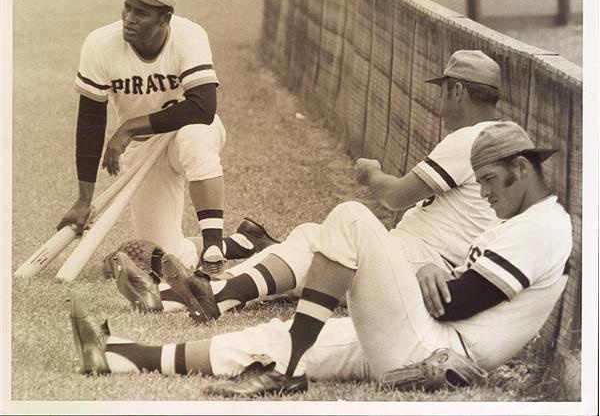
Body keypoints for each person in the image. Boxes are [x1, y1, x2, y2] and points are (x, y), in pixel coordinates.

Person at [68, 121, 571, 398]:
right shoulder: (524, 224)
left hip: (438, 350)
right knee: (284, 334)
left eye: (488, 181)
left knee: (351, 219)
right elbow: (458, 296)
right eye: (479, 181)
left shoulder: (543, 227)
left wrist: (425, 269)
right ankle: (121, 355)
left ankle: (283, 369)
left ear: (521, 169)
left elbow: (456, 304)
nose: (483, 193)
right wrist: (429, 272)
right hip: (426, 344)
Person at [111, 50, 503, 320]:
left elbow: (396, 195)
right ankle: (215, 283)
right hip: (425, 263)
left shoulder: (469, 138)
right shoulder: (498, 139)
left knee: (317, 243)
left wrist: (371, 173)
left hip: (421, 264)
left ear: (457, 91)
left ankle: (188, 296)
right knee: (311, 248)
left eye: (443, 92)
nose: (441, 103)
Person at [56, 0, 231, 275]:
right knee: (163, 261)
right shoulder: (100, 44)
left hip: (184, 136)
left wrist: (129, 127)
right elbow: (90, 123)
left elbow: (203, 107)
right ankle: (241, 242)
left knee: (195, 135)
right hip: (142, 153)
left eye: (142, 13)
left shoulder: (189, 35)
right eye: (128, 7)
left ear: (165, 19)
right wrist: (85, 199)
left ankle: (214, 248)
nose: (129, 18)